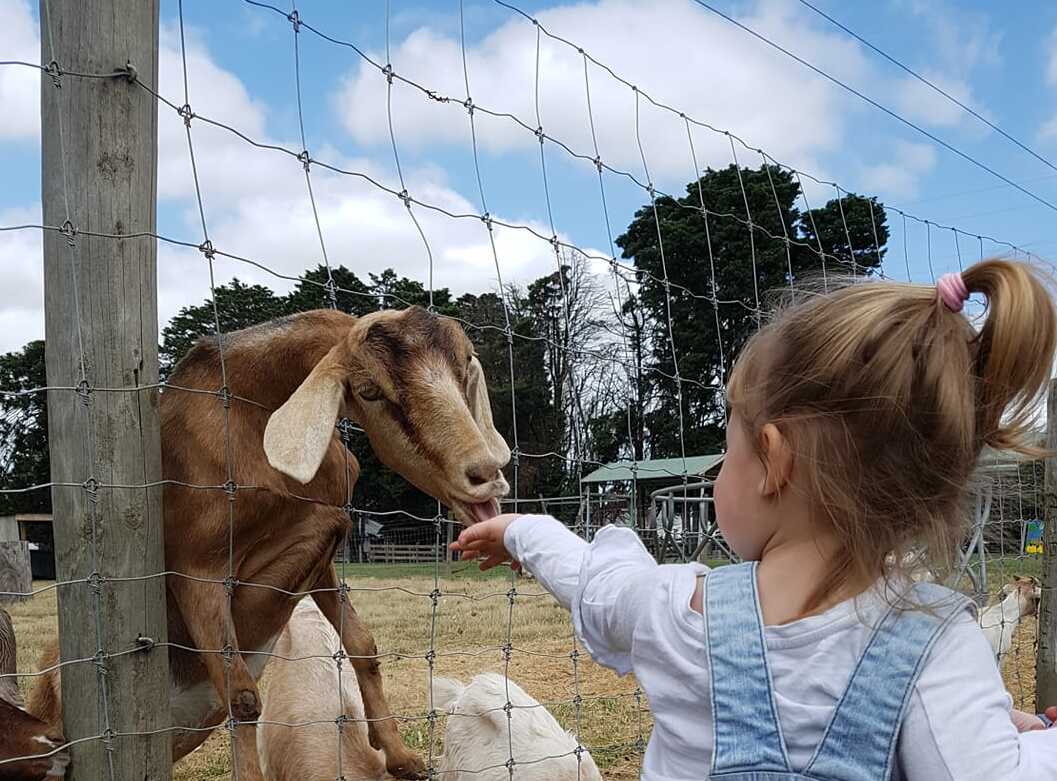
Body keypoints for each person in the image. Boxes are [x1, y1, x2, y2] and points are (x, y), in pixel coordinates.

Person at [453, 259, 1057, 780]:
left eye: (728, 450)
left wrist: (521, 531)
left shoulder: (672, 609)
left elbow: (592, 579)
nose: (720, 472)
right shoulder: (939, 649)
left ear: (772, 459)